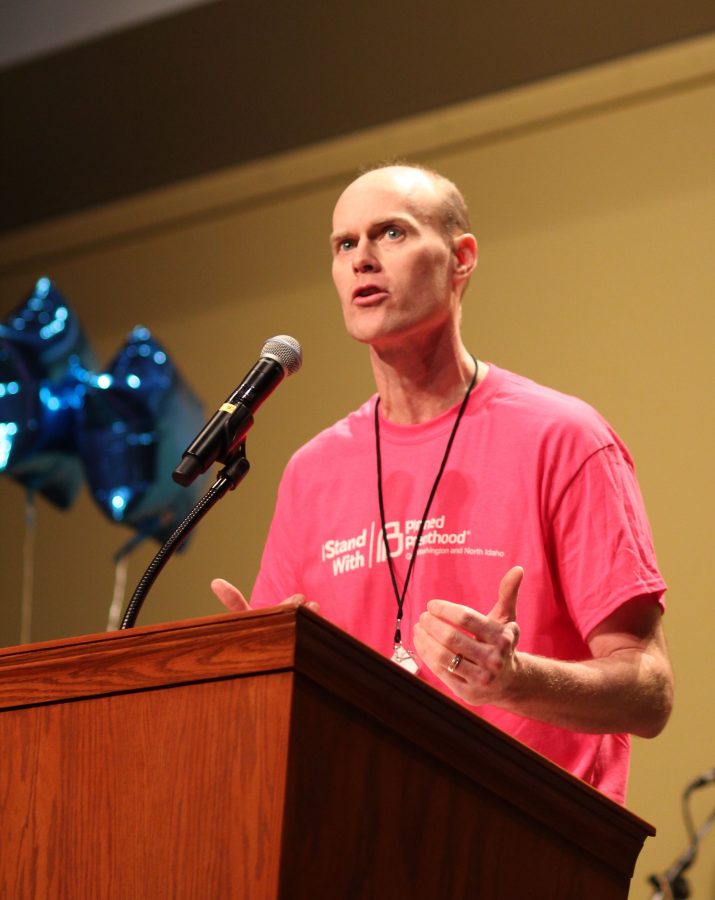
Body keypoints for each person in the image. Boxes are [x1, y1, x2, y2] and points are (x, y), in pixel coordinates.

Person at [212, 163, 673, 804]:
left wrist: (513, 680)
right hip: (351, 833)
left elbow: (649, 693)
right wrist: (257, 664)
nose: (362, 260)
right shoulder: (312, 471)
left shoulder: (563, 437)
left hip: (526, 837)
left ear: (461, 259)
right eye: (345, 245)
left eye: (391, 233)